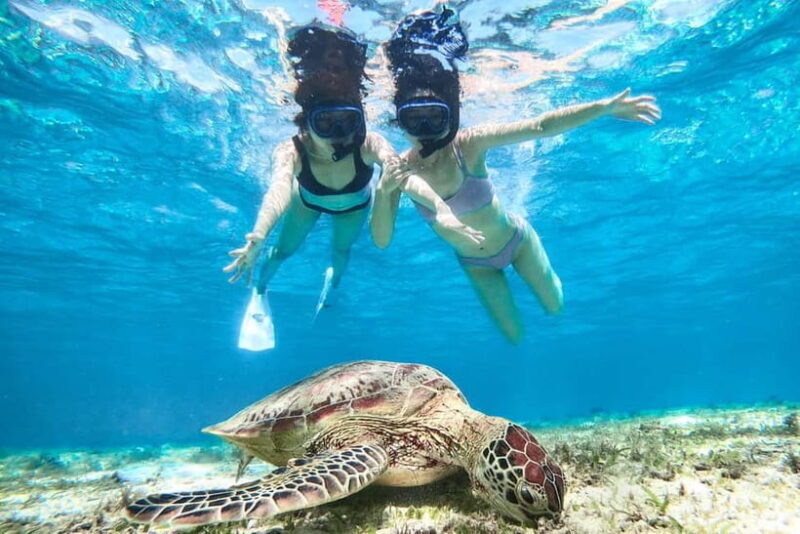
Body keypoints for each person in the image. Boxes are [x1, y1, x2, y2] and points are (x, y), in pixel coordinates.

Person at [371, 7, 661, 343]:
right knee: (514, 336)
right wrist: (384, 190)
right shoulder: (400, 171)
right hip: (474, 264)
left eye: (434, 118)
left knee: (556, 306)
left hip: (518, 242)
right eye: (413, 119)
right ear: (399, 121)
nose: (424, 130)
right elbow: (381, 240)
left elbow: (540, 126)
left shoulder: (468, 145)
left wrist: (603, 108)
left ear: (450, 114)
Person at [224, 22, 483, 349]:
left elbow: (401, 175)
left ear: (359, 118)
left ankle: (332, 285)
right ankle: (260, 290)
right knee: (284, 250)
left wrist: (441, 209)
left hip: (354, 207)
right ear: (307, 124)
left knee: (341, 251)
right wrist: (260, 234)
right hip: (307, 201)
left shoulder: (369, 144)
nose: (339, 133)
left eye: (347, 121)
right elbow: (278, 189)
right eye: (326, 123)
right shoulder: (293, 149)